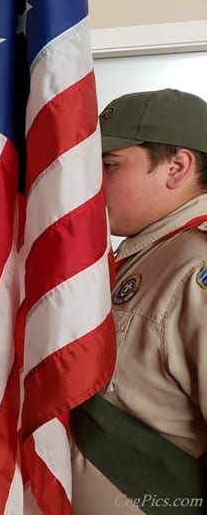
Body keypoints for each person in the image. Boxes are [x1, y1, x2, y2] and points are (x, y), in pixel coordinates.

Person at [70, 88, 207, 513]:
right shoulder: (142, 254)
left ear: (177, 167)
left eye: (110, 165)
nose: (92, 181)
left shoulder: (193, 265)